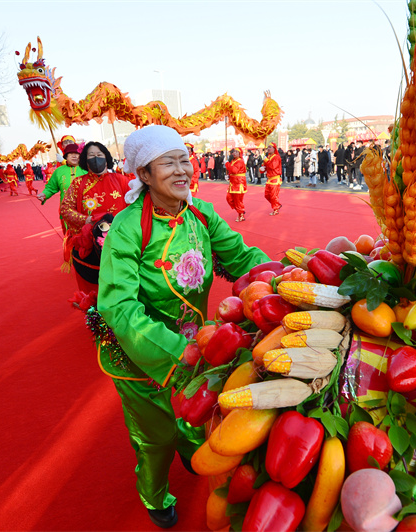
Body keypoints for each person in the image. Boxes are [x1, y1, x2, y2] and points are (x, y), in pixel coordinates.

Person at [97, 125, 269, 529]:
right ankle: (154, 495)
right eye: (167, 163)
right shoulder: (126, 229)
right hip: (139, 351)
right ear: (143, 175)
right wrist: (180, 353)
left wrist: (280, 281)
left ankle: (192, 449)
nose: (181, 171)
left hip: (196, 339)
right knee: (155, 437)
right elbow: (119, 307)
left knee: (196, 412)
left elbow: (243, 258)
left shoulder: (200, 214)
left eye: (184, 160)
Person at [61, 141, 131, 292]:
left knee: (122, 286)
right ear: (85, 161)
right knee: (94, 290)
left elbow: (135, 208)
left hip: (120, 242)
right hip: (89, 245)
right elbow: (65, 209)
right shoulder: (78, 183)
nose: (96, 158)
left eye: (99, 155)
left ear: (106, 158)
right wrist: (87, 220)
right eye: (91, 155)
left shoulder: (121, 180)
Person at [40, 144, 88, 232]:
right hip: (67, 210)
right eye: (70, 154)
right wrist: (44, 194)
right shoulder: (59, 171)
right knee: (70, 236)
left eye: (76, 154)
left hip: (86, 209)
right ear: (66, 156)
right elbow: (51, 187)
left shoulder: (87, 169)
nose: (74, 156)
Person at [225, 148, 247, 221]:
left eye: (236, 152)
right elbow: (231, 171)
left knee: (238, 200)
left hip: (238, 183)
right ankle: (240, 210)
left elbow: (234, 170)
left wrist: (227, 163)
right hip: (232, 183)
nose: (234, 153)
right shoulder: (233, 161)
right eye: (234, 152)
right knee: (229, 198)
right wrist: (228, 176)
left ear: (240, 153)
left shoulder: (240, 161)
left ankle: (241, 214)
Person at [262, 142, 282, 215]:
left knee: (274, 196)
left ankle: (276, 208)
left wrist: (266, 160)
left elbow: (273, 166)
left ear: (274, 148)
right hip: (269, 178)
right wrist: (261, 169)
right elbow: (265, 166)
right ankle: (277, 205)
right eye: (268, 147)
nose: (268, 148)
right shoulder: (268, 157)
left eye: (270, 147)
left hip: (275, 178)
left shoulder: (276, 157)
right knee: (267, 195)